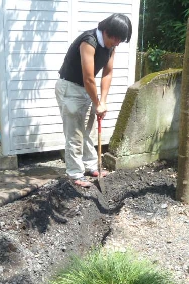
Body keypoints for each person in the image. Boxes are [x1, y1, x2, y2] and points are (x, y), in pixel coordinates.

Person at [55, 13, 132, 187]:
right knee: (75, 133)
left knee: (86, 130)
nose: (117, 43)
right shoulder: (89, 41)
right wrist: (97, 103)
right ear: (106, 31)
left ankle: (91, 165)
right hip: (70, 87)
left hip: (85, 90)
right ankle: (75, 173)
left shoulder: (111, 46)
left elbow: (108, 73)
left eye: (121, 40)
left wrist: (102, 102)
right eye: (116, 39)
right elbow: (89, 78)